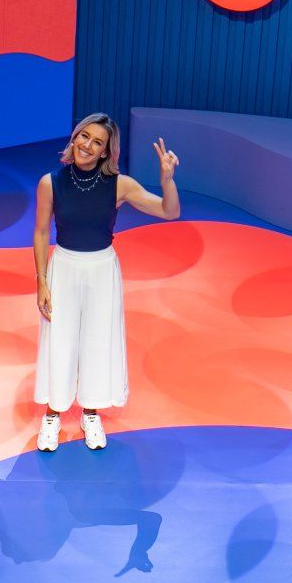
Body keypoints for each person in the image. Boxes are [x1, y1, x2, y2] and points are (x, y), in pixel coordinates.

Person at [32, 113, 179, 451]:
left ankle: (91, 413)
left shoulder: (120, 185)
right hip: (64, 266)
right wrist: (41, 281)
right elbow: (41, 232)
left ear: (105, 152)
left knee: (98, 340)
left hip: (102, 269)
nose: (87, 145)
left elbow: (169, 212)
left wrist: (167, 180)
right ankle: (53, 415)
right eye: (84, 136)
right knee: (60, 338)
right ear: (75, 137)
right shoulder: (50, 182)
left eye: (97, 142)